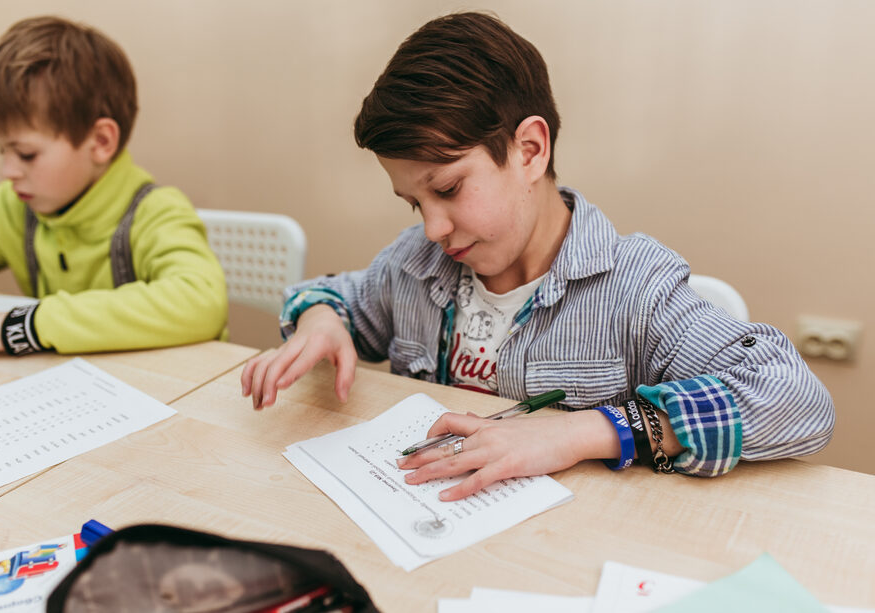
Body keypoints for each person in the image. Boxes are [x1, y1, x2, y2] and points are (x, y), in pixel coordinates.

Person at [241, 12, 834, 500]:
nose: (432, 227)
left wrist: (577, 433)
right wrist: (320, 318)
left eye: (447, 189)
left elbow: (794, 398)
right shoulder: (415, 266)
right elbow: (331, 296)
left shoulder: (634, 289)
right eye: (412, 203)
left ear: (529, 149)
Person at [0, 16, 228, 367]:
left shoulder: (155, 212)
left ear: (100, 142)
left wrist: (33, 325)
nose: (6, 171)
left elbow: (201, 301)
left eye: (25, 154)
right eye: (1, 149)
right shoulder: (14, 207)